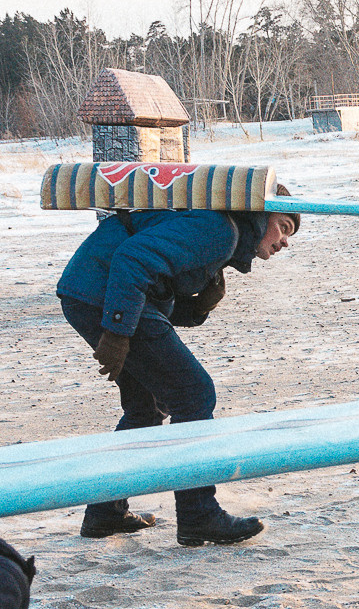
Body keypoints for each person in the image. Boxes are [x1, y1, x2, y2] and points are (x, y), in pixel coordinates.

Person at [57, 200, 298, 543]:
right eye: (284, 227)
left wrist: (196, 306)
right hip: (101, 293)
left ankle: (104, 512)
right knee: (194, 395)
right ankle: (198, 514)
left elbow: (154, 280)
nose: (285, 241)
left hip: (89, 291)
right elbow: (133, 258)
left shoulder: (219, 234)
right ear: (260, 216)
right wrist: (117, 331)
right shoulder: (218, 230)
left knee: (145, 407)